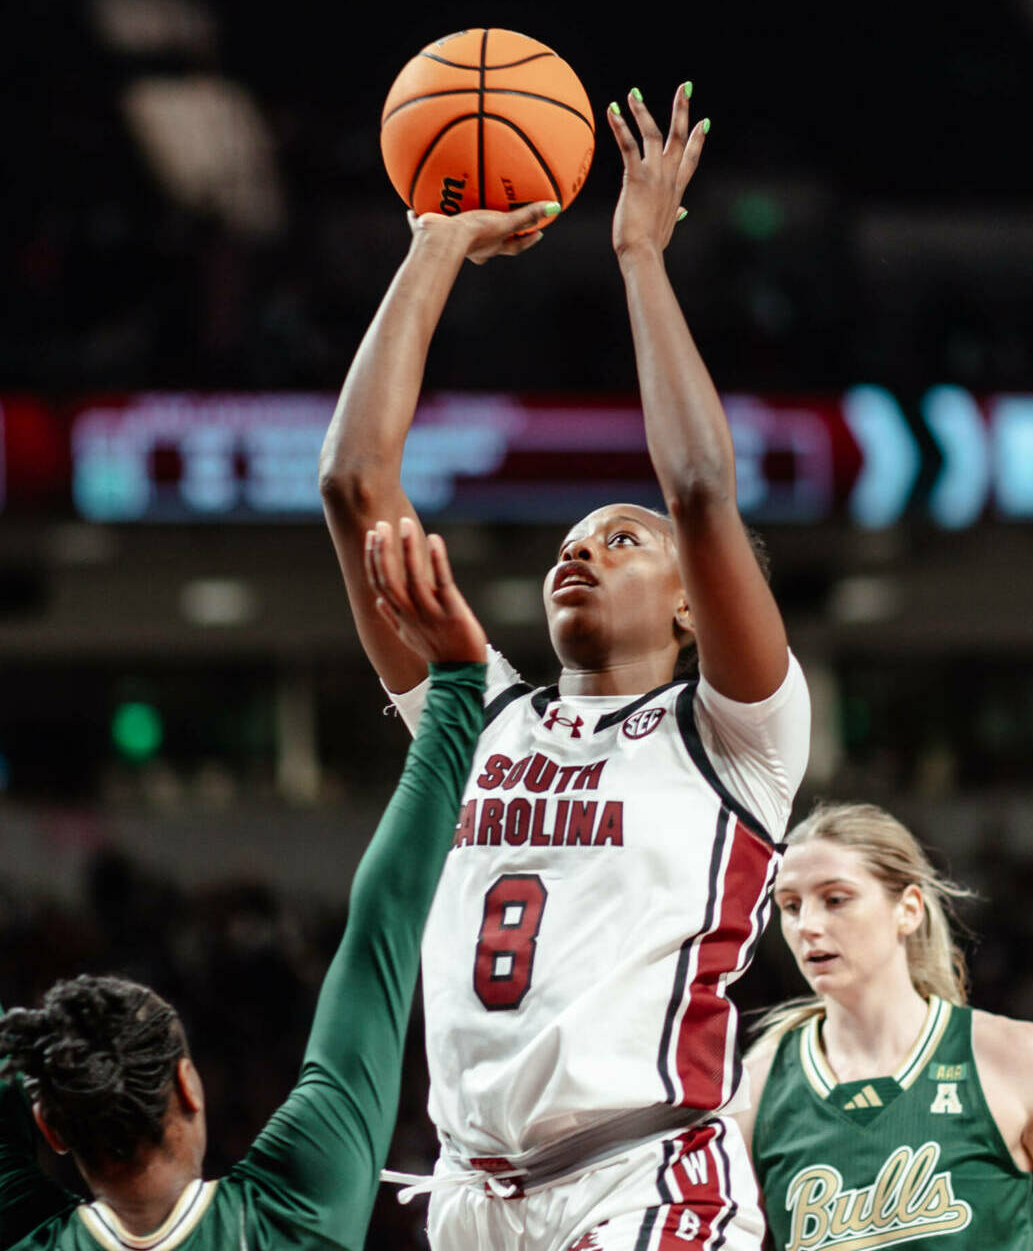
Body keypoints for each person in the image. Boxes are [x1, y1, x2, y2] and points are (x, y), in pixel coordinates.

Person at [319, 84, 812, 1251]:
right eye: (570, 539)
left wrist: (641, 254)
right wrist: (434, 244)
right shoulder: (478, 715)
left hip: (646, 1177)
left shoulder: (739, 733)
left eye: (621, 538)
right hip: (471, 1197)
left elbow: (698, 489)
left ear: (694, 600)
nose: (582, 547)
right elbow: (352, 483)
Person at [0, 515, 490, 1251]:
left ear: (49, 1128)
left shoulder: (10, 1234)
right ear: (188, 1086)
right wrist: (455, 687)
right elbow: (381, 922)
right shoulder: (291, 1213)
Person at [740, 803, 1033, 1251]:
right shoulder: (758, 1085)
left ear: (909, 909)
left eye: (836, 899)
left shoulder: (1013, 1058)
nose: (808, 926)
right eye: (790, 906)